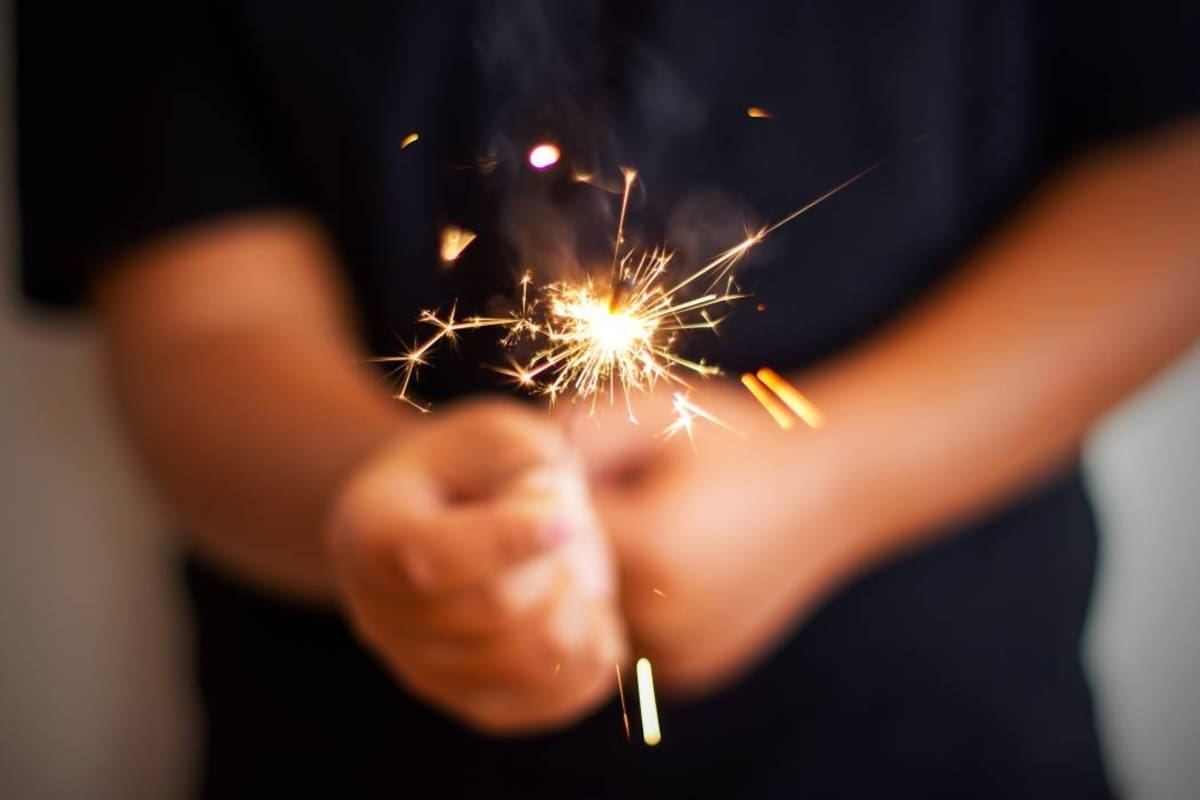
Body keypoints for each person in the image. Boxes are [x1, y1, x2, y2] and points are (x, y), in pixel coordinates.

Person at [17, 1, 1200, 796]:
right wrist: (368, 503)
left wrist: (836, 477)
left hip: (952, 733)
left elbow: (1173, 186)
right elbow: (199, 323)